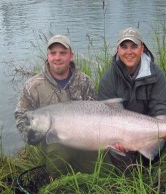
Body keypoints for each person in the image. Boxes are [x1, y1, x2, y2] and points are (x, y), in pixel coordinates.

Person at [15, 34, 112, 178]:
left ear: (71, 56)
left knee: (106, 171)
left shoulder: (84, 82)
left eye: (62, 53)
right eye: (53, 53)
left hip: (85, 140)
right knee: (60, 149)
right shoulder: (33, 86)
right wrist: (30, 135)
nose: (57, 57)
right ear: (47, 56)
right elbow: (21, 116)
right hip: (53, 144)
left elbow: (98, 114)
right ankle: (58, 180)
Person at [98, 27, 166, 173]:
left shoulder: (156, 74)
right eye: (124, 47)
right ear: (118, 49)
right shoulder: (108, 78)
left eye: (134, 46)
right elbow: (105, 117)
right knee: (125, 169)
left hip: (149, 131)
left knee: (147, 163)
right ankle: (128, 173)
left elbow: (160, 107)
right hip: (119, 134)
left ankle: (147, 166)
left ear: (142, 49)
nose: (129, 52)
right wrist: (115, 139)